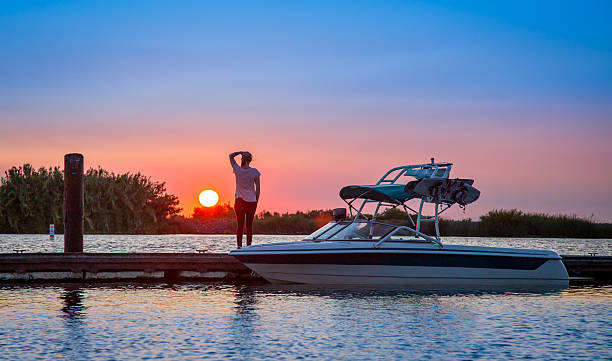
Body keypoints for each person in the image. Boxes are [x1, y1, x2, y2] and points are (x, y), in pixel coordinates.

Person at [229, 151, 260, 248]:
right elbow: (258, 189)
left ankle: (239, 247)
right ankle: (249, 247)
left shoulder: (237, 170)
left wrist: (240, 152)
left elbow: (230, 156)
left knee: (240, 225)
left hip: (240, 201)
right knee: (249, 225)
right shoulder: (255, 172)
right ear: (250, 160)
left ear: (242, 159)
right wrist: (256, 202)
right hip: (252, 201)